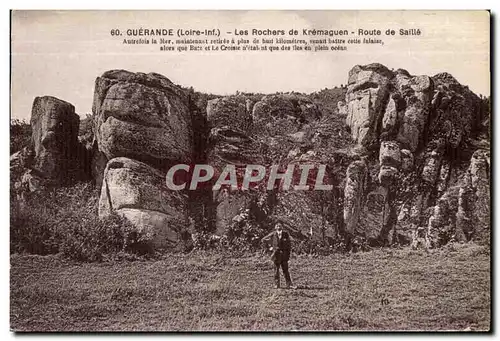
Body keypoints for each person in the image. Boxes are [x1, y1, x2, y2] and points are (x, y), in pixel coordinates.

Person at [261, 222, 293, 289]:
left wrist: (288, 255)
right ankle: (277, 285)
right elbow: (263, 240)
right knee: (276, 271)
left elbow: (289, 245)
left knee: (286, 270)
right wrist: (269, 249)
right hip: (276, 255)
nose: (279, 227)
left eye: (280, 226)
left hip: (284, 256)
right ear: (275, 227)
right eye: (277, 226)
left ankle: (289, 284)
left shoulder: (286, 234)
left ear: (282, 227)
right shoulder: (273, 234)